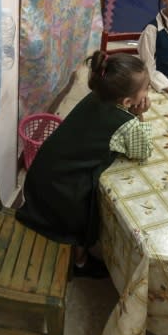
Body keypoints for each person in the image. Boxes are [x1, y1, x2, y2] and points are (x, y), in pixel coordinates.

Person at [15, 51, 153, 278]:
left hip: (42, 173)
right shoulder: (126, 123)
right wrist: (139, 116)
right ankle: (79, 261)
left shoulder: (97, 95)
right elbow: (143, 150)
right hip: (64, 190)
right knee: (84, 216)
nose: (149, 92)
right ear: (128, 102)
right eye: (146, 88)